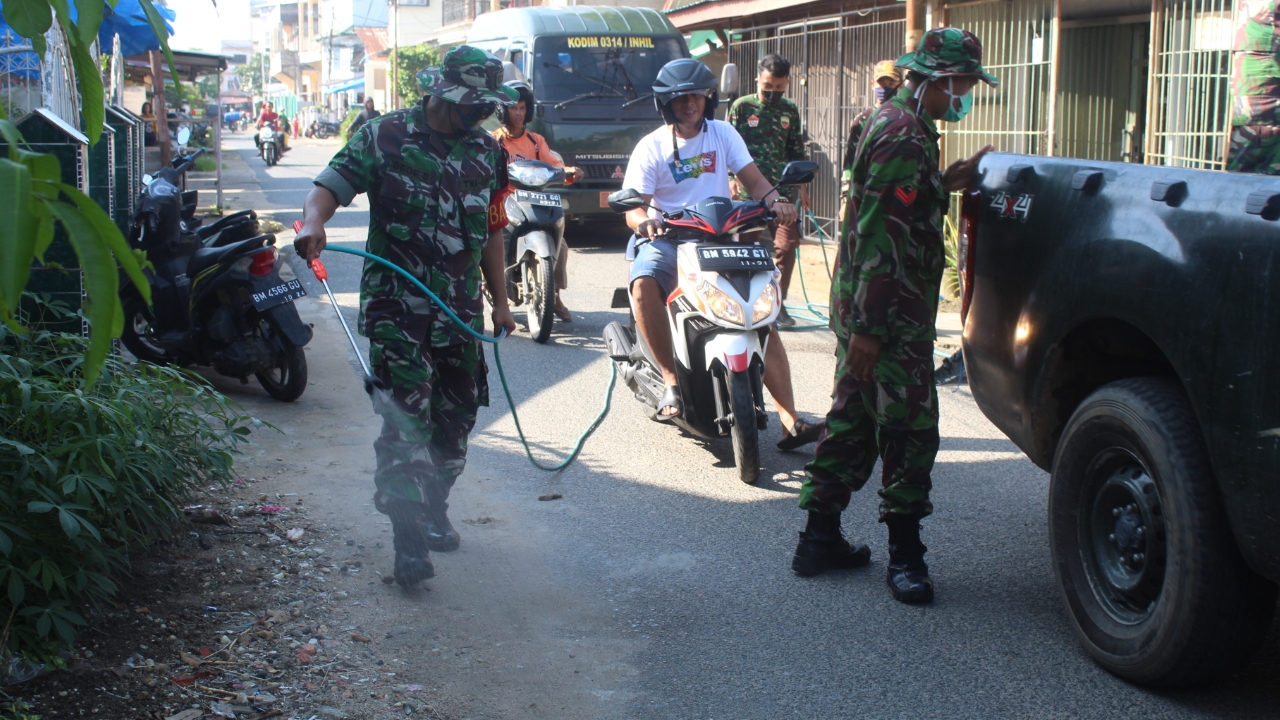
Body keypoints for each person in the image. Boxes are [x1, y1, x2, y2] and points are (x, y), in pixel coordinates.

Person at [293, 46, 519, 588]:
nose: (482, 114)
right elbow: (328, 187)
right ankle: (409, 541)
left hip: (458, 309)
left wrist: (502, 299)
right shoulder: (386, 135)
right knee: (405, 419)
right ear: (442, 92)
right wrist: (311, 224)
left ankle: (433, 505)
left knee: (457, 420)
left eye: (488, 106)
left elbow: (492, 229)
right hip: (398, 306)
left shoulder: (487, 153)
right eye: (473, 104)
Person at [791, 28, 997, 605]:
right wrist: (871, 331)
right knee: (909, 430)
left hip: (867, 306)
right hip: (887, 316)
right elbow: (881, 233)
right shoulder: (906, 136)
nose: (965, 96)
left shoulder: (894, 122)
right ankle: (905, 557)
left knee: (853, 416)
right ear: (940, 81)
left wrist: (943, 183)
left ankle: (819, 538)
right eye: (963, 85)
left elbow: (886, 202)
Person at [622, 58, 824, 450]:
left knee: (759, 313)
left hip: (720, 237)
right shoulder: (652, 147)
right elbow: (635, 207)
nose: (689, 105)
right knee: (644, 283)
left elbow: (755, 181)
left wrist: (776, 201)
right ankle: (671, 382)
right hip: (669, 238)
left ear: (707, 99)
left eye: (696, 97)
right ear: (666, 105)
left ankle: (790, 419)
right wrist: (644, 222)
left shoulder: (724, 133)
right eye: (680, 99)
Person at [726, 53, 809, 328]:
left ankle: (778, 305)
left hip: (781, 195)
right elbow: (725, 146)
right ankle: (747, 304)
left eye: (779, 87)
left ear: (786, 84)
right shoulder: (741, 107)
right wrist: (731, 179)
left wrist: (803, 187)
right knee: (747, 250)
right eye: (767, 86)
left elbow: (796, 150)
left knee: (786, 246)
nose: (772, 92)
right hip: (749, 195)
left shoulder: (790, 110)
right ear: (757, 80)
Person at [491, 80, 582, 321]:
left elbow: (554, 163)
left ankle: (554, 294)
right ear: (503, 110)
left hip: (535, 201)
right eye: (513, 108)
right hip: (506, 202)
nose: (518, 113)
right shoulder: (494, 141)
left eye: (522, 108)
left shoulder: (535, 141)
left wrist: (568, 171)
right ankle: (497, 295)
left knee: (559, 245)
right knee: (493, 242)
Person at [840, 61, 903, 224]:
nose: (886, 88)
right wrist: (845, 199)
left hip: (898, 197)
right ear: (872, 84)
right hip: (867, 196)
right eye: (882, 83)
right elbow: (850, 164)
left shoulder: (906, 119)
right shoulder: (862, 121)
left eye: (892, 83)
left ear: (901, 85)